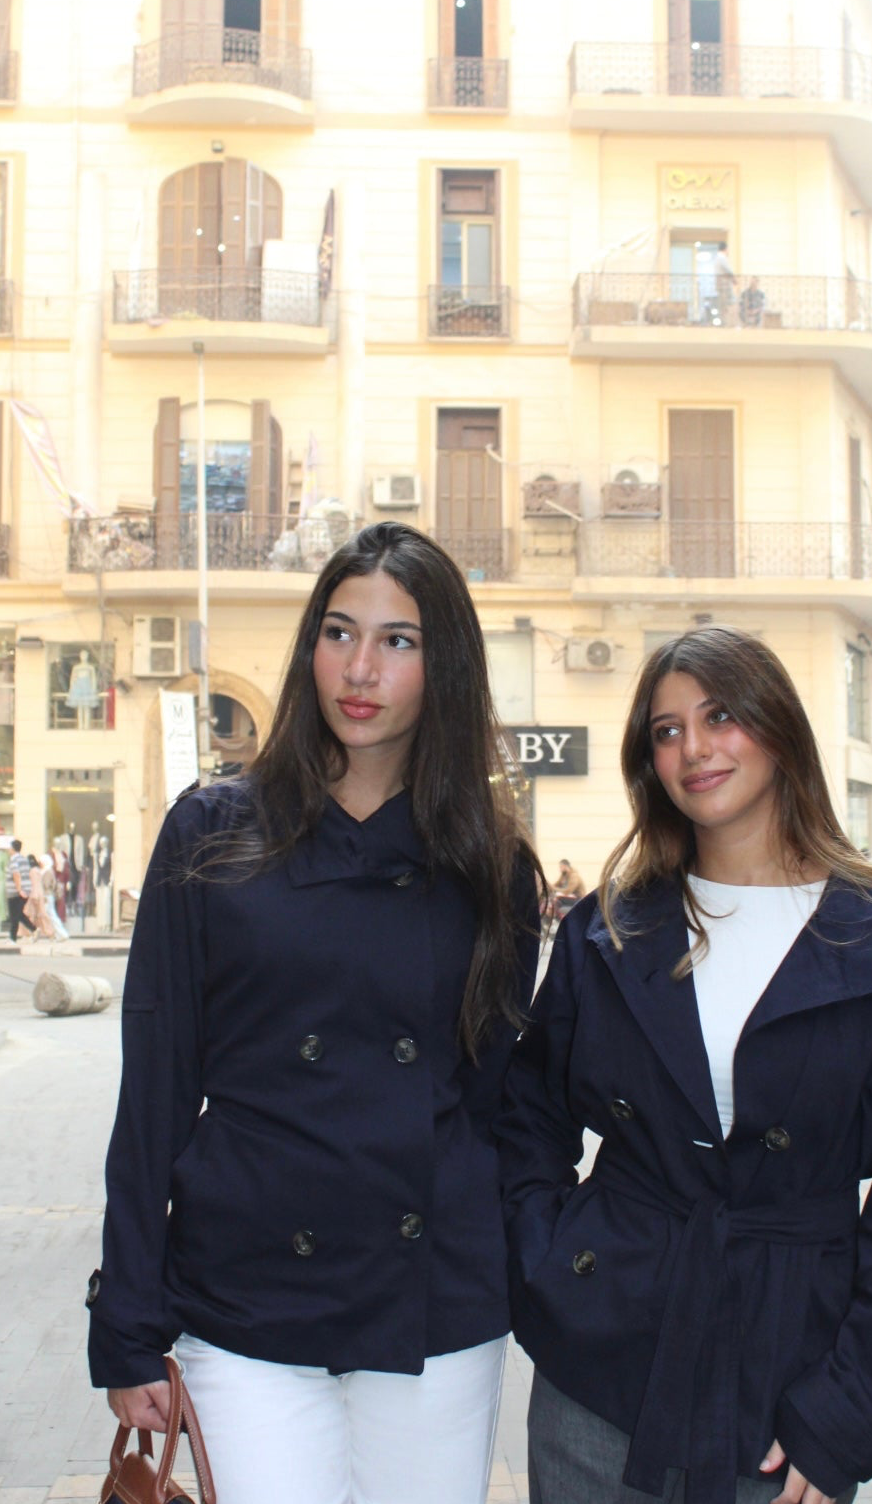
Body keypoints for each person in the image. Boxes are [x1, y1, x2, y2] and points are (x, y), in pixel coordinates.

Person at [87, 521, 543, 1504]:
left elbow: (497, 1103)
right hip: (244, 1295)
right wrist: (125, 1315)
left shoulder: (490, 864)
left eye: (397, 640)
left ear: (444, 666)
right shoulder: (211, 831)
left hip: (432, 1304)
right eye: (339, 632)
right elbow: (154, 1091)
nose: (360, 668)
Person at [497, 625, 872, 1504]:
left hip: (787, 1395)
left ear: (778, 727)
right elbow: (526, 1115)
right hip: (598, 1380)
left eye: (720, 716)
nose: (694, 748)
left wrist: (853, 1414)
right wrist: (552, 1267)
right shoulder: (610, 930)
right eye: (666, 730)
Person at [4, 839, 36, 944]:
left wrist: (19, 889)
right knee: (18, 914)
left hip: (15, 892)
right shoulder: (24, 860)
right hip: (25, 889)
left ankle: (13, 938)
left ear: (12, 849)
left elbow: (16, 875)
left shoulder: (13, 860)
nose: (8, 850)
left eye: (9, 847)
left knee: (14, 915)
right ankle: (34, 929)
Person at [551, 858, 586, 922]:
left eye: (561, 867)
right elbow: (556, 885)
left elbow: (568, 891)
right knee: (553, 899)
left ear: (565, 866)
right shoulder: (563, 875)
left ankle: (559, 920)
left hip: (577, 899)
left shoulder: (574, 876)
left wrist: (555, 889)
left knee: (557, 899)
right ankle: (556, 919)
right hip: (568, 897)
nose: (560, 869)